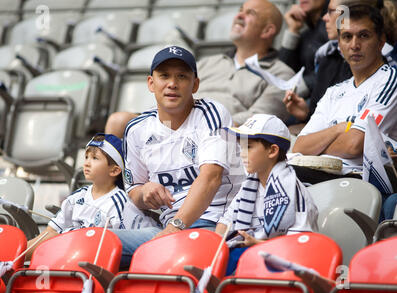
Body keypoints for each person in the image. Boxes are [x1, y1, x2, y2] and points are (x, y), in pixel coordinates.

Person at [110, 45, 244, 268]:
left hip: (214, 225)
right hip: (166, 230)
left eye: (182, 76)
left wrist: (176, 226)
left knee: (168, 259)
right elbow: (133, 191)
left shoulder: (212, 114)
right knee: (97, 243)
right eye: (164, 76)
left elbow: (211, 177)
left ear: (195, 84)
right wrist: (145, 191)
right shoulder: (137, 128)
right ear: (151, 83)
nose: (172, 83)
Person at [104, 0, 304, 138]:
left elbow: (258, 120)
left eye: (249, 13)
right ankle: (109, 194)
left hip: (222, 134)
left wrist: (200, 120)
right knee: (119, 121)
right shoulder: (209, 61)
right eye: (240, 10)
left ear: (268, 30)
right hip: (175, 122)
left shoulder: (281, 74)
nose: (239, 15)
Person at [291, 4, 397, 185]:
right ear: (339, 45)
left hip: (360, 181)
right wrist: (340, 128)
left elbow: (353, 145)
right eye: (347, 37)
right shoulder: (334, 92)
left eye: (363, 36)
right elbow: (300, 146)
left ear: (381, 41)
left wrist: (319, 147)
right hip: (320, 176)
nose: (355, 45)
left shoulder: (390, 80)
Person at [25, 133, 157, 260]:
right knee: (47, 239)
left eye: (95, 158)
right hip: (69, 257)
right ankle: (12, 257)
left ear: (115, 170)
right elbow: (51, 231)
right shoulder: (77, 196)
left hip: (93, 265)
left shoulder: (121, 202)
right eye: (86, 157)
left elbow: (140, 241)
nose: (87, 163)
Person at [215, 114, 319, 275]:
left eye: (248, 147)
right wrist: (216, 248)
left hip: (283, 269)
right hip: (250, 259)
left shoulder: (294, 192)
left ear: (272, 151)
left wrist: (255, 243)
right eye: (241, 147)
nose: (242, 153)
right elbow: (225, 223)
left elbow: (300, 246)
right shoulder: (248, 186)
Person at [284, 0, 397, 123]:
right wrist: (307, 114)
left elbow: (356, 135)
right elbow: (320, 125)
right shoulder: (328, 58)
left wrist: (338, 130)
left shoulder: (389, 72)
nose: (324, 18)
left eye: (332, 12)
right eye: (347, 37)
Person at [279, 0, 329, 97]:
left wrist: (294, 90)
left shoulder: (337, 26)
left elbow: (335, 70)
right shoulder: (307, 34)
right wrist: (293, 30)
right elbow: (284, 73)